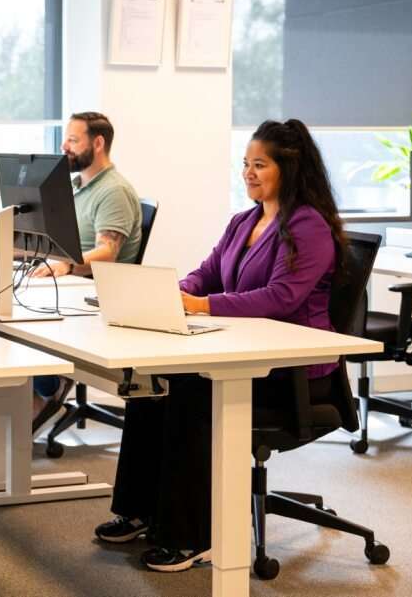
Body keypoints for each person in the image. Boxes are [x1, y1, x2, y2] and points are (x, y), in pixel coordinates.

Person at [95, 119, 348, 573]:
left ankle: (193, 537)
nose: (248, 172)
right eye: (245, 163)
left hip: (292, 372)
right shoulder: (244, 221)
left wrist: (202, 305)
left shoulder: (308, 226)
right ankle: (139, 510)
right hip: (244, 350)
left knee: (191, 391)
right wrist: (173, 293)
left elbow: (281, 297)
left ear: (289, 169)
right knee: (153, 382)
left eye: (260, 165)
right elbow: (207, 273)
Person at [30, 112, 143, 423]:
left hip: (96, 294)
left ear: (98, 143)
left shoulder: (113, 191)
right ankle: (31, 399)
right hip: (71, 286)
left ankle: (48, 388)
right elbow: (48, 238)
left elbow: (108, 252)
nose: (64, 146)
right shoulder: (78, 186)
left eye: (73, 140)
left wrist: (67, 265)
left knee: (24, 317)